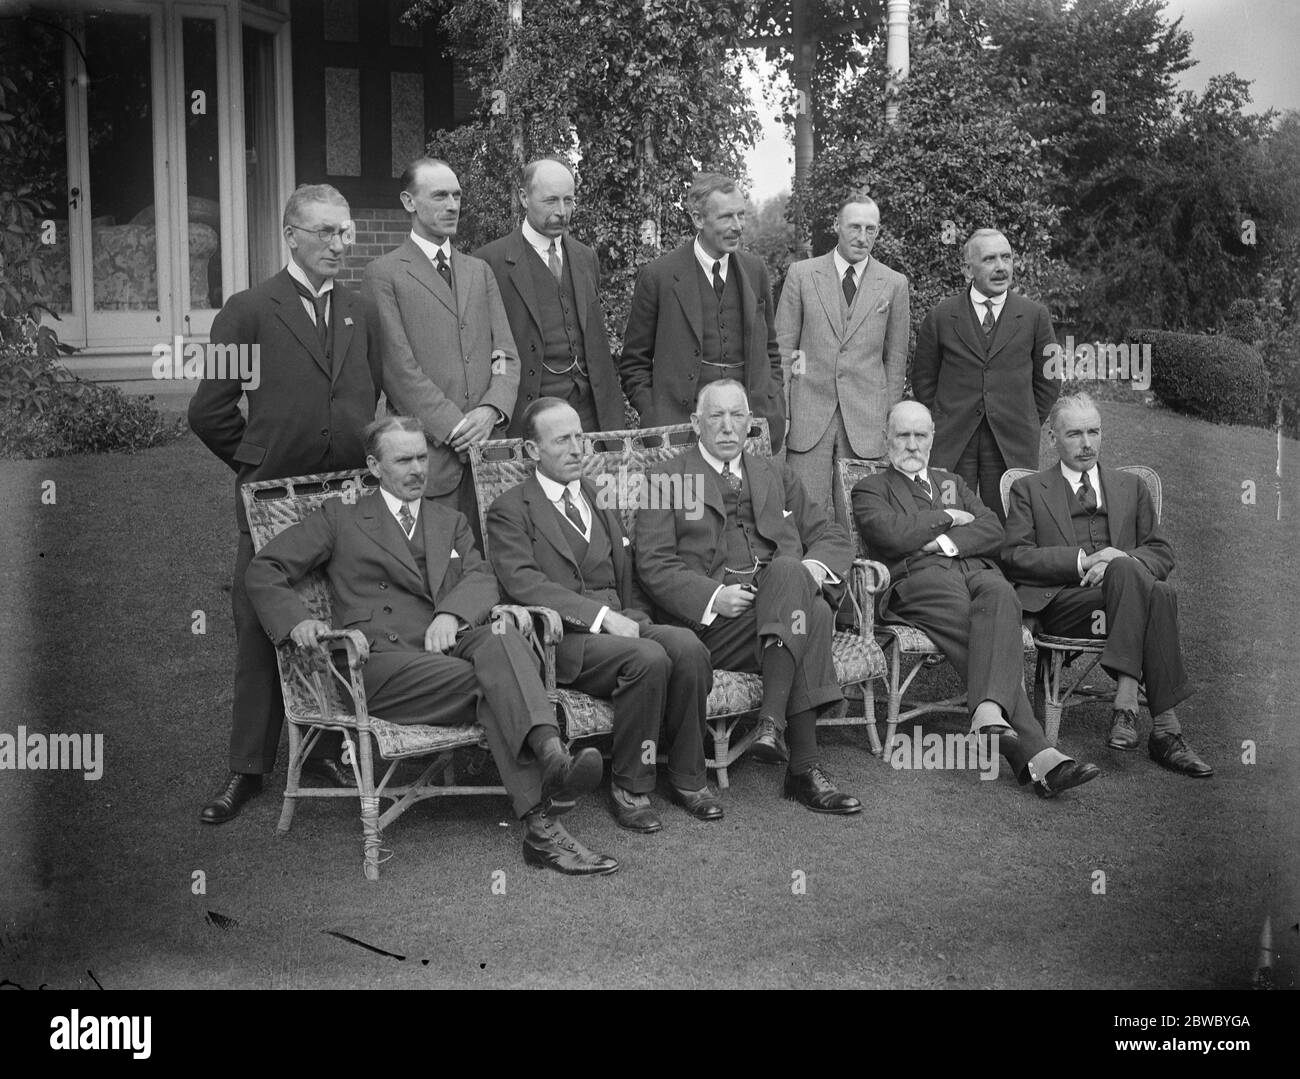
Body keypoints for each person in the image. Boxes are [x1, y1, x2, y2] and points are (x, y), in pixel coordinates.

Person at [244, 417, 619, 876]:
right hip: (379, 667)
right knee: (497, 684)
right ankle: (550, 771)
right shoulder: (341, 519)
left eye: (422, 457)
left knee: (501, 641)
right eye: (404, 459)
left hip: (446, 651)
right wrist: (298, 621)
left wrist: (452, 614)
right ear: (374, 466)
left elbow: (482, 576)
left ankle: (548, 786)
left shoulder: (449, 520)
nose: (417, 468)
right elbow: (264, 569)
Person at [188, 183, 383, 825]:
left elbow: (375, 395)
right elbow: (209, 410)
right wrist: (258, 466)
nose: (339, 243)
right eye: (324, 231)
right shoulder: (248, 311)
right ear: (290, 236)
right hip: (274, 502)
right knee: (259, 624)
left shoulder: (362, 308)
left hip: (347, 498)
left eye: (345, 230)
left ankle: (326, 745)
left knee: (341, 616)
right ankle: (247, 768)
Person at [486, 398, 720, 832]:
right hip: (564, 641)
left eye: (580, 437)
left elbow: (626, 570)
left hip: (622, 620)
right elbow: (524, 583)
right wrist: (601, 617)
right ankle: (630, 785)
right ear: (532, 450)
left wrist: (637, 616)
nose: (577, 449)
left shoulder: (597, 494)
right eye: (562, 440)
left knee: (688, 648)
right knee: (647, 659)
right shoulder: (510, 509)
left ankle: (688, 777)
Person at [851, 401, 1101, 799]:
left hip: (975, 575)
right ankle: (1037, 750)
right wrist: (949, 518)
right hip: (917, 584)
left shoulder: (951, 481)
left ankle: (989, 714)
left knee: (1001, 591)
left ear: (933, 438)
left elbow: (993, 531)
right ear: (886, 439)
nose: (912, 444)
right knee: (981, 625)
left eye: (920, 435)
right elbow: (891, 536)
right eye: (903, 435)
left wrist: (940, 544)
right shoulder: (871, 488)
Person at [635, 379, 861, 812]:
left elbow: (831, 536)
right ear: (695, 423)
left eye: (737, 415)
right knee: (812, 612)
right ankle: (802, 769)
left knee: (795, 579)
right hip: (716, 627)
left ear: (749, 424)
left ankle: (772, 725)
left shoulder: (775, 473)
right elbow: (653, 564)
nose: (726, 426)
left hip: (777, 608)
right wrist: (713, 596)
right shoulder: (665, 479)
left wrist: (810, 569)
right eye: (715, 416)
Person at [1002, 392, 1212, 776]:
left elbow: (1161, 553)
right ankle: (1161, 728)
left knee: (1141, 578)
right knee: (1152, 590)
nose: (1086, 444)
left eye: (1094, 432)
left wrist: (1119, 559)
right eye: (1075, 434)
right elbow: (1015, 556)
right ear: (1052, 438)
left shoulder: (1130, 487)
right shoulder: (1029, 490)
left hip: (1117, 605)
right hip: (1064, 604)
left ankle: (1139, 714)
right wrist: (1082, 560)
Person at [363, 157, 520, 542]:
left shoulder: (477, 270)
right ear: (408, 202)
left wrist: (491, 409)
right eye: (439, 196)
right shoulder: (384, 273)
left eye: (456, 195)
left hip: (489, 455)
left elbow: (505, 354)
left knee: (498, 559)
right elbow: (397, 369)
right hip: (431, 458)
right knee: (439, 564)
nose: (452, 205)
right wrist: (456, 428)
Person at [620, 173, 786, 451]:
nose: (738, 226)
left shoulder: (755, 270)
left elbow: (770, 349)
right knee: (689, 496)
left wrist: (772, 397)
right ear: (698, 219)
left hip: (750, 428)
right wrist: (655, 412)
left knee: (748, 496)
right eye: (726, 217)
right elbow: (633, 363)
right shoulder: (658, 276)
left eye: (741, 216)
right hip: (680, 432)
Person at [775, 193, 909, 527]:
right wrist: (786, 412)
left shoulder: (894, 284)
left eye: (871, 229)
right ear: (837, 226)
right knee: (803, 513)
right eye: (854, 227)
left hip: (867, 419)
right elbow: (786, 350)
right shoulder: (802, 275)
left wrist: (888, 420)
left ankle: (863, 578)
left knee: (866, 517)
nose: (862, 237)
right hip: (809, 417)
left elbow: (895, 359)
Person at [911, 228, 1060, 519]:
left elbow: (1050, 380)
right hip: (954, 442)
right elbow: (924, 380)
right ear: (968, 269)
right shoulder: (941, 316)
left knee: (1009, 521)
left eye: (1006, 257)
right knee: (950, 514)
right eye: (990, 259)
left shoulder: (1035, 316)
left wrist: (1026, 418)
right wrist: (944, 418)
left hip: (1011, 442)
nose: (1001, 267)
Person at [473, 158, 624, 436]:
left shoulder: (585, 257)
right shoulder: (488, 262)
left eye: (569, 201)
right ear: (523, 198)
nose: (561, 212)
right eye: (551, 201)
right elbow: (485, 349)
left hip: (589, 413)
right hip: (528, 412)